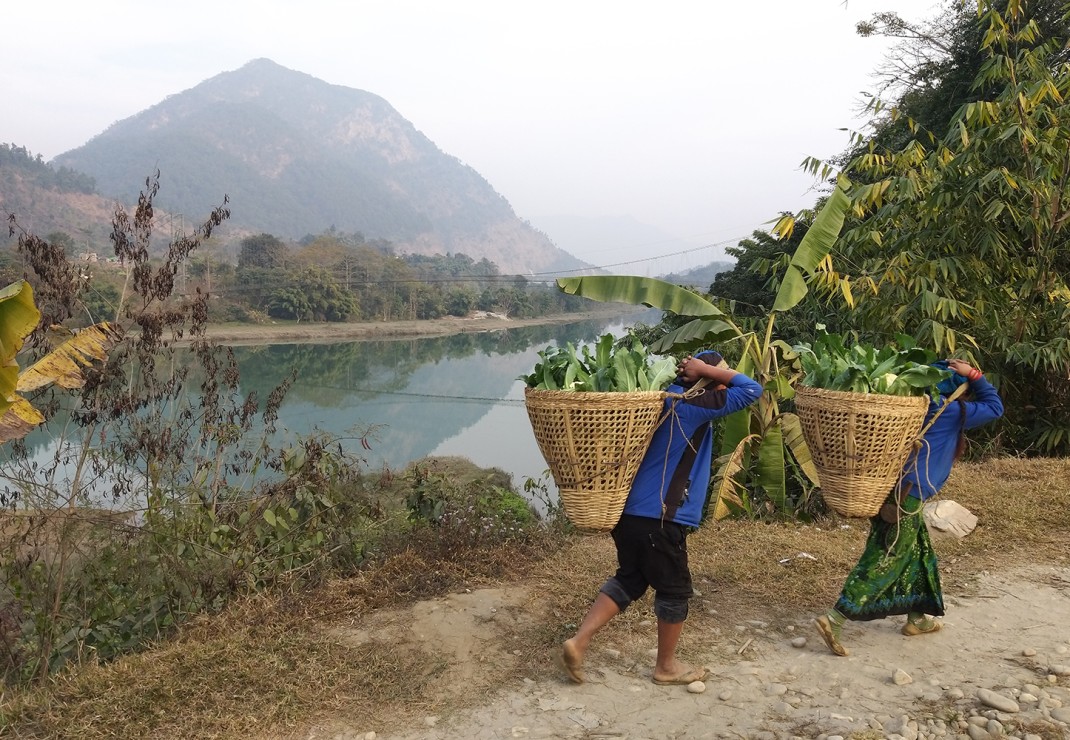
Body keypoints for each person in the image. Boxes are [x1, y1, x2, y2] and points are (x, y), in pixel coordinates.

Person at [560, 350, 762, 685]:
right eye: (719, 377)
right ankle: (666, 667)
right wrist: (710, 370)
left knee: (631, 579)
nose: (724, 386)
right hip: (660, 517)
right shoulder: (693, 405)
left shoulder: (657, 402)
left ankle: (578, 642)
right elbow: (752, 389)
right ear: (706, 380)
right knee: (675, 590)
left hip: (629, 514)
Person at [814, 358, 1004, 656]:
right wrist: (975, 375)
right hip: (908, 496)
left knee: (919, 552)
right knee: (887, 554)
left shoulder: (908, 404)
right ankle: (836, 616)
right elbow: (995, 406)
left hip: (886, 489)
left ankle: (917, 618)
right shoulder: (951, 411)